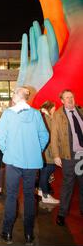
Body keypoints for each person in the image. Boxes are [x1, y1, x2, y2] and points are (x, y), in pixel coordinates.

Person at [0, 86, 49, 245]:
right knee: (29, 197)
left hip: (13, 161)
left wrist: (8, 151)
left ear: (15, 97)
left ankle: (7, 233)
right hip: (32, 163)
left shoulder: (8, 114)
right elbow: (44, 136)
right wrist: (35, 150)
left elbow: (0, 137)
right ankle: (28, 235)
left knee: (11, 196)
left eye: (12, 94)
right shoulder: (36, 114)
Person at [52, 89, 83, 226]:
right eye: (67, 98)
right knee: (67, 185)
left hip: (82, 155)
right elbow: (54, 137)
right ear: (62, 101)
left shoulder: (81, 111)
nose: (70, 99)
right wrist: (56, 155)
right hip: (68, 155)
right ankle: (62, 214)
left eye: (71, 97)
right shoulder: (58, 115)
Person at [37, 100, 60, 205]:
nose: (54, 110)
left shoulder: (44, 116)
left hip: (47, 149)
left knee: (46, 171)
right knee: (48, 170)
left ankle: (42, 191)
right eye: (54, 109)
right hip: (48, 149)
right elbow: (51, 133)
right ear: (49, 108)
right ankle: (44, 193)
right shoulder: (45, 117)